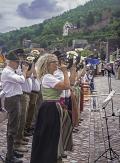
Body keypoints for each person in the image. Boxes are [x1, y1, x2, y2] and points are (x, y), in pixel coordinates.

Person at [30, 53, 70, 163]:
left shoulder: (50, 77)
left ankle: (51, 156)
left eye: (56, 61)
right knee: (50, 135)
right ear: (47, 65)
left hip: (51, 107)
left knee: (51, 134)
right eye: (54, 62)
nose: (57, 64)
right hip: (50, 108)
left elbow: (67, 84)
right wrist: (65, 72)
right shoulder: (48, 77)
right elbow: (67, 86)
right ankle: (48, 158)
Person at [1, 49, 28, 163]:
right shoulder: (8, 72)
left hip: (14, 98)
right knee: (12, 128)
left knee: (15, 126)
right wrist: (25, 71)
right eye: (17, 62)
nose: (18, 64)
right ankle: (9, 156)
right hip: (11, 100)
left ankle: (11, 151)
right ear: (11, 62)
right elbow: (22, 80)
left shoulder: (12, 70)